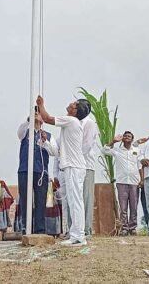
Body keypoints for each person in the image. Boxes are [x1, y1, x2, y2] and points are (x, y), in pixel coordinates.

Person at [36, 95, 90, 246]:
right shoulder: (71, 124)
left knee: (75, 202)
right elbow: (57, 151)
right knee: (73, 202)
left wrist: (41, 104)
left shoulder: (71, 120)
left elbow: (47, 118)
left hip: (74, 166)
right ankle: (76, 234)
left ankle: (78, 236)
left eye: (74, 103)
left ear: (75, 110)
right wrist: (46, 142)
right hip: (71, 166)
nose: (70, 103)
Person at [17, 113, 51, 234]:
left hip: (40, 171)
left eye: (38, 114)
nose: (36, 116)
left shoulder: (47, 135)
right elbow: (19, 132)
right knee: (25, 199)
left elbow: (53, 151)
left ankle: (39, 229)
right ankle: (26, 227)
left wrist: (45, 141)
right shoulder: (25, 132)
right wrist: (28, 120)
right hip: (25, 170)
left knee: (40, 201)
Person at [102, 131, 141, 235]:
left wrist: (142, 179)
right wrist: (113, 141)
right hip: (122, 182)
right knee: (123, 207)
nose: (127, 137)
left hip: (134, 182)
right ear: (122, 139)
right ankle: (124, 228)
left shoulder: (137, 151)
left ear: (132, 139)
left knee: (134, 206)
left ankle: (132, 228)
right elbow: (104, 150)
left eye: (129, 136)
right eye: (125, 136)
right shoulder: (117, 151)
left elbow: (140, 165)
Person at [78, 98, 99, 238]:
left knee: (86, 197)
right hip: (76, 165)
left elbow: (87, 145)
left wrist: (77, 158)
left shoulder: (89, 123)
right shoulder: (75, 123)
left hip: (85, 165)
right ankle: (77, 229)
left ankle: (86, 229)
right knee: (77, 198)